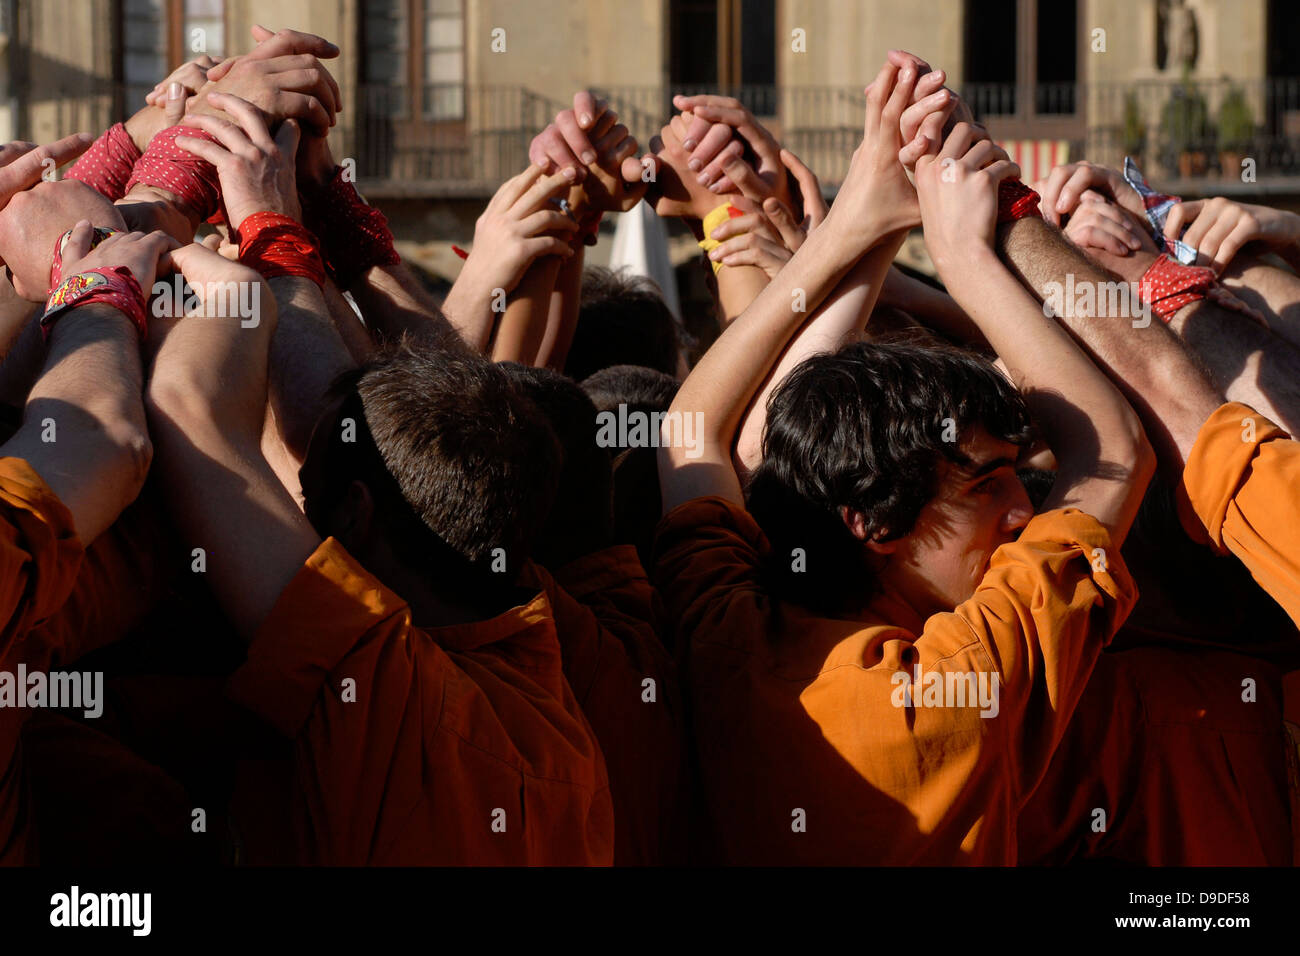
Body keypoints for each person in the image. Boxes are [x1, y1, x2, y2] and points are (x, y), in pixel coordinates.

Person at [652, 60, 1152, 864]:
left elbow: (690, 435)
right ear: (875, 523)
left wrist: (864, 224)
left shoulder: (723, 636)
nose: (1024, 512)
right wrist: (963, 255)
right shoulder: (959, 681)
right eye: (987, 483)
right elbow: (1116, 451)